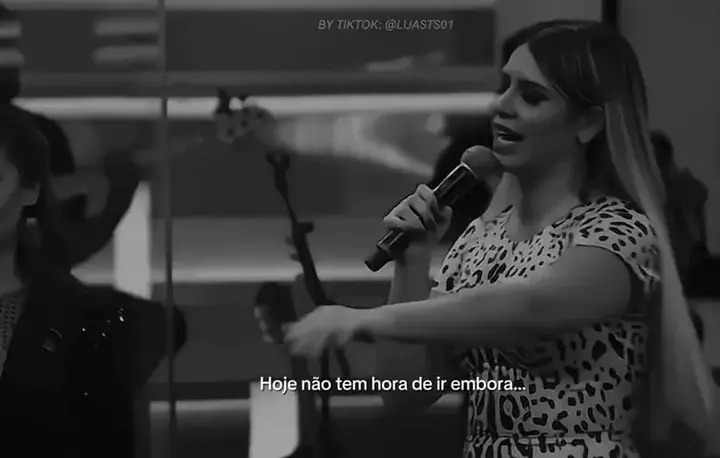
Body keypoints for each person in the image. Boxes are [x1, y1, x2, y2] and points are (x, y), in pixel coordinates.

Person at [282, 20, 716, 457]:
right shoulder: (480, 239)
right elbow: (407, 392)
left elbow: (533, 307)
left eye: (531, 96)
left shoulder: (619, 230)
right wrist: (412, 262)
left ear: (587, 123)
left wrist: (360, 320)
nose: (501, 105)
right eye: (506, 86)